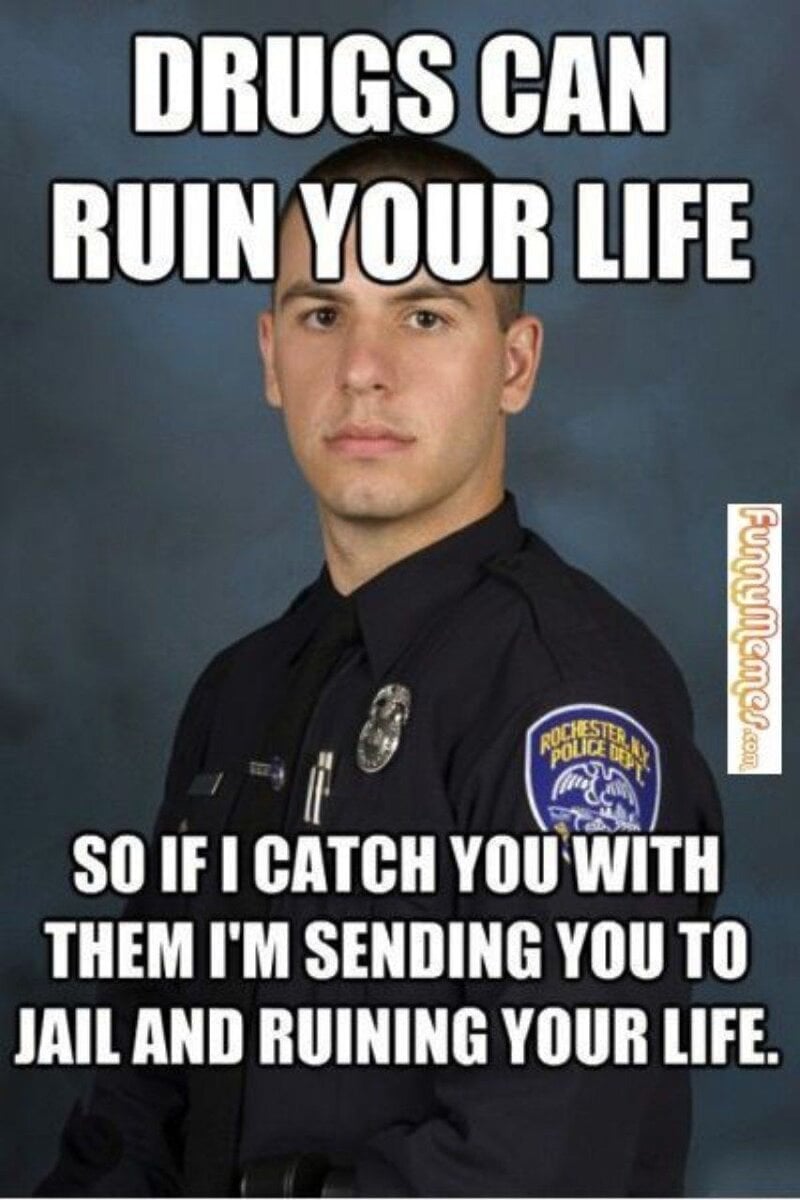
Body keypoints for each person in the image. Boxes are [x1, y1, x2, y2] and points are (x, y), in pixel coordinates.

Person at [38, 136, 722, 1198]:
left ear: (514, 364)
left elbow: (528, 1167)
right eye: (323, 315)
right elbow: (139, 1103)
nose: (362, 368)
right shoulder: (239, 692)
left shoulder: (570, 702)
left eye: (423, 315)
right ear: (271, 357)